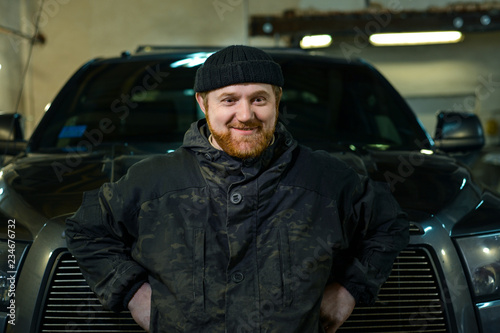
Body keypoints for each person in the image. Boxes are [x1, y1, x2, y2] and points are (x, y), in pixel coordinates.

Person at [66, 45, 409, 333]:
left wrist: (349, 290)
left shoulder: (327, 180)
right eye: (229, 100)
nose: (245, 115)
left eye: (258, 99)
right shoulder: (153, 182)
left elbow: (389, 224)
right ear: (203, 103)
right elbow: (86, 230)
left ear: (277, 101)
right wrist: (133, 294)